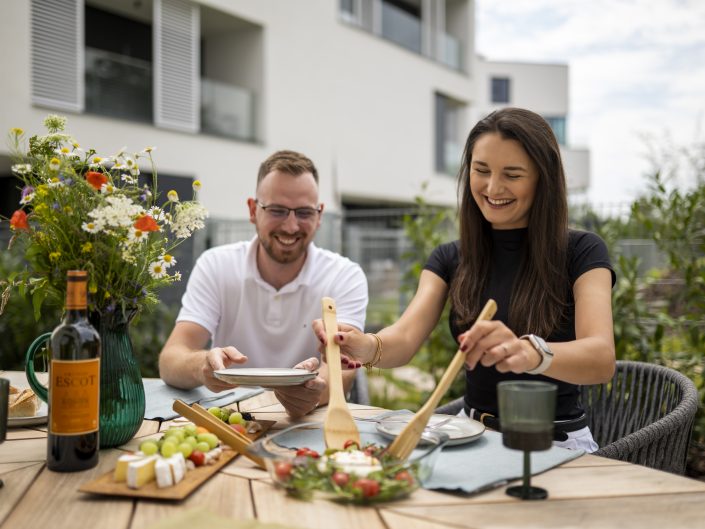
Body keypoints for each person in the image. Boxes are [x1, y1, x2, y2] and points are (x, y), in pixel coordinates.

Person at [313, 108, 615, 451]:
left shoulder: (583, 251)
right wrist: (366, 346)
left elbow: (601, 358)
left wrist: (530, 351)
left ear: (542, 179)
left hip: (555, 442)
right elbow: (405, 337)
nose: (493, 187)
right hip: (471, 439)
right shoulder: (450, 258)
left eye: (512, 175)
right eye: (481, 170)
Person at [159, 150, 368, 418]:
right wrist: (204, 365)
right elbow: (171, 358)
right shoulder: (216, 265)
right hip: (231, 420)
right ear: (252, 210)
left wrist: (314, 391)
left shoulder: (344, 275)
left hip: (308, 421)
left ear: (319, 215)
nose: (291, 226)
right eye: (277, 210)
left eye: (304, 212)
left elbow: (343, 368)